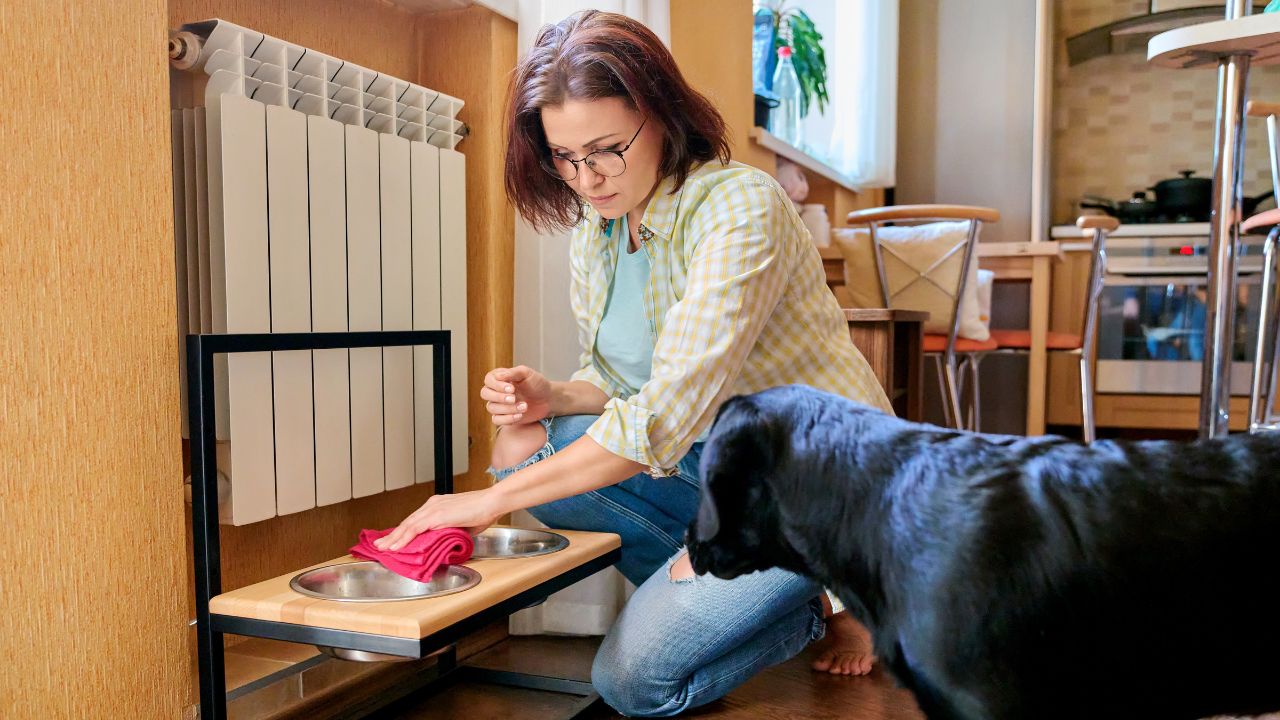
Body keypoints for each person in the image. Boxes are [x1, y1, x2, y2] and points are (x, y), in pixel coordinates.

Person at [375, 9, 893, 716]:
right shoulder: (601, 229)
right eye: (565, 157)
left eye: (606, 150)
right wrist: (552, 396)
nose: (586, 179)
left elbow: (661, 413)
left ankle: (820, 589)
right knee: (524, 448)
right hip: (716, 469)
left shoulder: (740, 207)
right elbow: (619, 381)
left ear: (660, 113)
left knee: (632, 683)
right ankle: (736, 592)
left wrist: (482, 502)